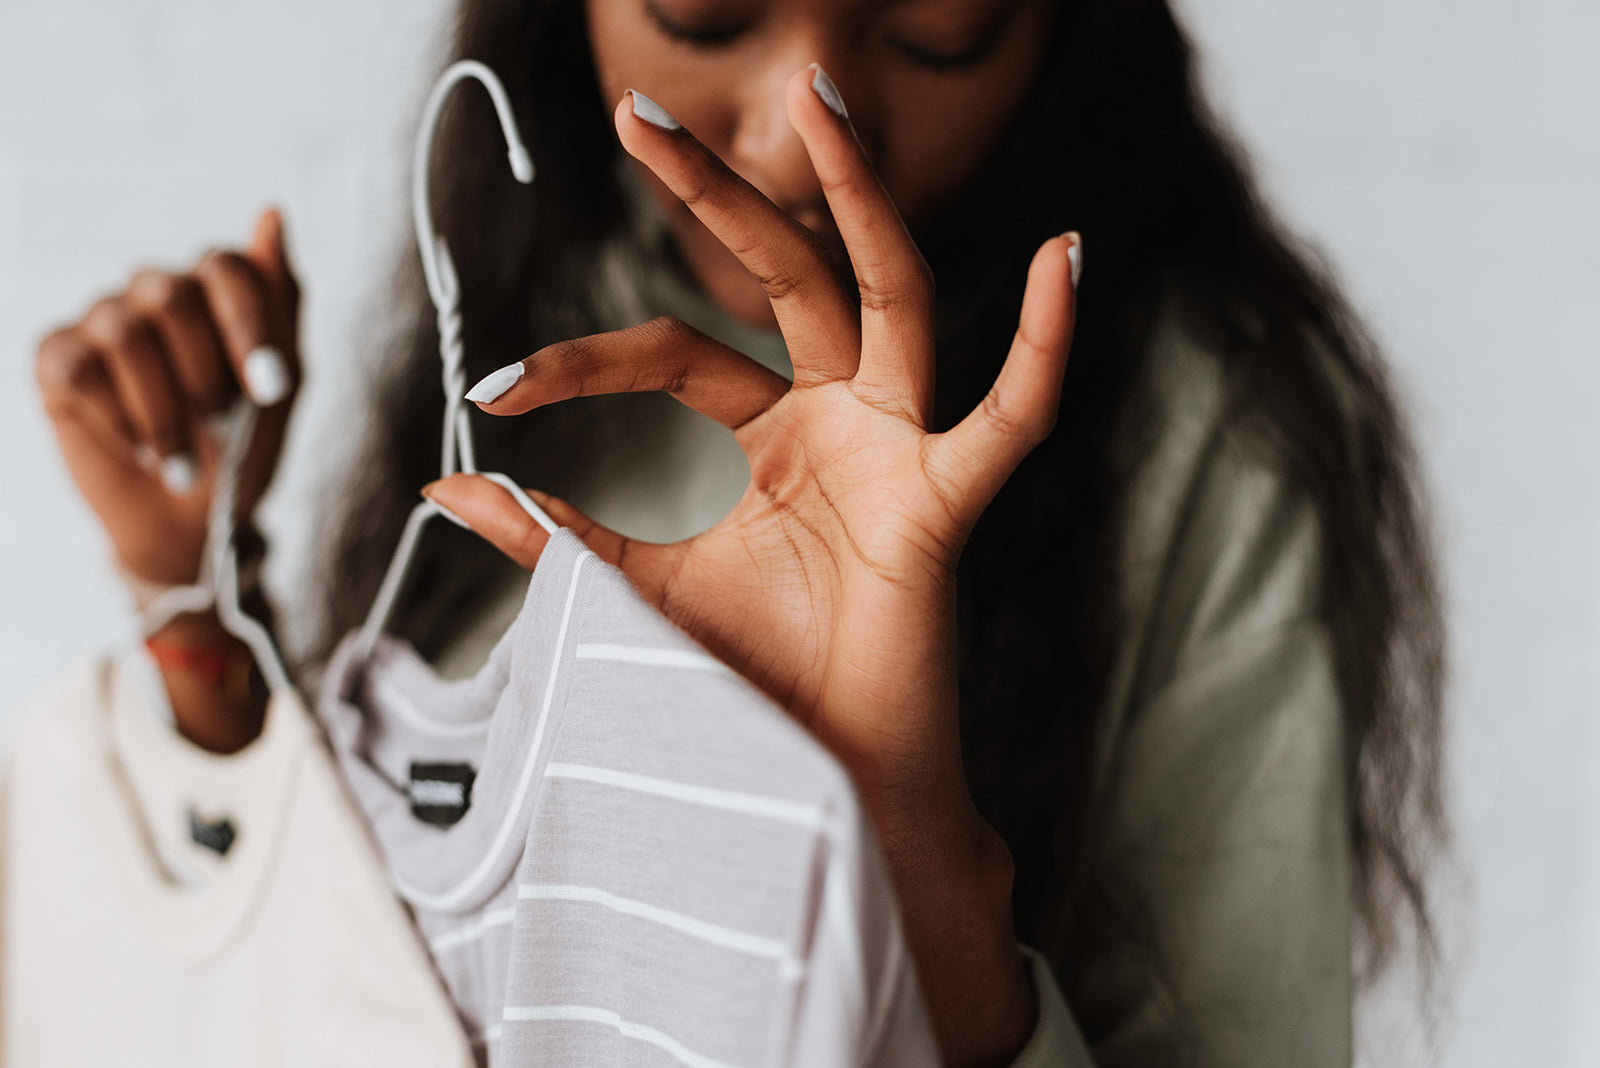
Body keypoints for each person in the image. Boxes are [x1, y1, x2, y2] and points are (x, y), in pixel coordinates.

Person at [32, 0, 1446, 1063]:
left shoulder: (1201, 432)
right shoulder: (542, 292)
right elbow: (381, 976)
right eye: (708, 6)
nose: (791, 130)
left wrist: (907, 863)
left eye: (937, 25)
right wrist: (196, 596)